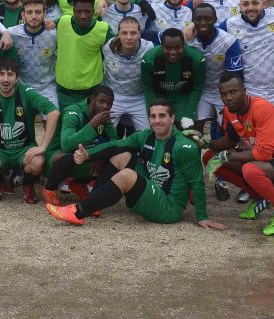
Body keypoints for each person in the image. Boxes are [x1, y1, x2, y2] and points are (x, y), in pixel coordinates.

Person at [45, 99, 225, 231]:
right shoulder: (146, 135)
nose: (157, 120)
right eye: (153, 116)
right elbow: (114, 145)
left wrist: (202, 217)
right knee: (122, 155)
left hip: (168, 207)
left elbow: (197, 183)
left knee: (127, 176)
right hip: (152, 188)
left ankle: (78, 212)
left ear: (172, 118)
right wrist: (87, 155)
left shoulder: (185, 147)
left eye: (162, 116)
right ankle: (95, 202)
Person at [188, 73, 274, 236]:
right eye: (224, 94)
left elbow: (263, 154)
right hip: (265, 163)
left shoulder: (261, 108)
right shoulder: (230, 111)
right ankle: (259, 198)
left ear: (244, 91)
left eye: (233, 92)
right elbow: (230, 141)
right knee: (209, 157)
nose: (228, 98)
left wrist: (227, 156)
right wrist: (205, 143)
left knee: (250, 169)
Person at [0, 58, 61, 203]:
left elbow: (54, 112)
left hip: (24, 148)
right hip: (0, 149)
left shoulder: (26, 93)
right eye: (1, 74)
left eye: (10, 74)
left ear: (17, 78)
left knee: (37, 162)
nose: (6, 79)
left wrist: (42, 146)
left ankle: (28, 184)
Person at [187, 3, 245, 203]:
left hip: (222, 91)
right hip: (200, 91)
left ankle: (222, 180)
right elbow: (159, 36)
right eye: (198, 19)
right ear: (193, 21)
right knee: (193, 132)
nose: (203, 22)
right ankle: (193, 181)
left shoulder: (228, 41)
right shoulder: (187, 37)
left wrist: (226, 99)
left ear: (215, 20)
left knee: (228, 134)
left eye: (208, 19)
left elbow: (234, 76)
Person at [42, 86, 118, 206]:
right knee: (69, 157)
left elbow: (115, 141)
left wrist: (100, 156)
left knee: (112, 159)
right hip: (58, 153)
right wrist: (93, 124)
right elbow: (66, 145)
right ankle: (49, 189)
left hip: (83, 154)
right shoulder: (73, 112)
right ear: (92, 99)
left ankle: (79, 184)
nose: (105, 106)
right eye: (101, 101)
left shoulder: (103, 116)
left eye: (109, 103)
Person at [56, 0, 115, 110]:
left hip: (91, 91)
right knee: (67, 121)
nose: (83, 16)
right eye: (79, 12)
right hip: (64, 91)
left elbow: (117, 46)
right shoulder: (62, 22)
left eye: (87, 12)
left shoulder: (103, 29)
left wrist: (106, 0)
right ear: (73, 11)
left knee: (90, 122)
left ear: (93, 11)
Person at [141, 28, 206, 129]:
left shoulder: (197, 59)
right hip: (159, 98)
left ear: (183, 45)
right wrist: (152, 113)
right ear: (161, 46)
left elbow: (197, 88)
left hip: (182, 98)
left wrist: (189, 114)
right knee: (159, 128)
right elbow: (148, 88)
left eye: (177, 48)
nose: (173, 52)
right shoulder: (149, 60)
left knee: (186, 129)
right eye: (168, 48)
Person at [102, 17, 154, 131]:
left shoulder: (149, 49)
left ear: (140, 33)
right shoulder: (107, 47)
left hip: (138, 97)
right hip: (113, 97)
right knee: (104, 133)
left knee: (148, 134)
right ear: (118, 34)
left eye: (133, 33)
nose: (129, 37)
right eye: (124, 33)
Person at [8, 0, 58, 107]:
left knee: (53, 115)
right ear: (23, 15)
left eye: (38, 12)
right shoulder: (12, 33)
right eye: (29, 12)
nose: (34, 16)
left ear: (44, 14)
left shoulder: (54, 34)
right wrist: (4, 33)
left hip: (48, 87)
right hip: (22, 86)